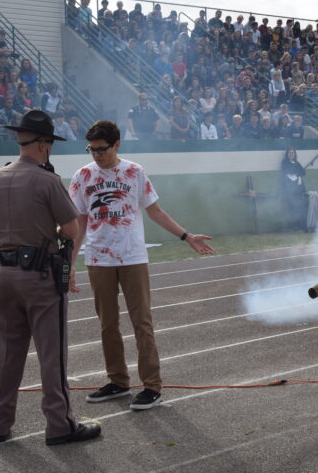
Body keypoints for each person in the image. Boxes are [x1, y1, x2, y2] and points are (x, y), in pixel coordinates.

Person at [68, 120, 214, 410]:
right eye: (92, 149)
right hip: (98, 258)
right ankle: (118, 381)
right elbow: (80, 223)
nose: (96, 154)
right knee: (107, 324)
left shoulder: (134, 172)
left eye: (102, 149)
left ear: (117, 144)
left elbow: (155, 211)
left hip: (132, 256)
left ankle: (151, 385)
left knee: (142, 323)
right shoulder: (82, 175)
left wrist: (186, 236)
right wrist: (70, 263)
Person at [0, 110, 101, 445]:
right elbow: (71, 229)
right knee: (52, 355)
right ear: (44, 144)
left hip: (3, 275)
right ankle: (60, 425)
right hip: (39, 276)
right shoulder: (47, 180)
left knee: (7, 352)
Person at [280, 147, 307, 231]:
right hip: (290, 190)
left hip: (299, 189)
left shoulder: (297, 163)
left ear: (295, 154)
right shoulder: (284, 163)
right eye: (289, 153)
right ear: (287, 154)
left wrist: (296, 173)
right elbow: (287, 171)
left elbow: (303, 172)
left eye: (292, 153)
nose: (291, 154)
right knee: (293, 207)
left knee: (300, 207)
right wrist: (296, 172)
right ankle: (294, 225)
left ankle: (301, 225)